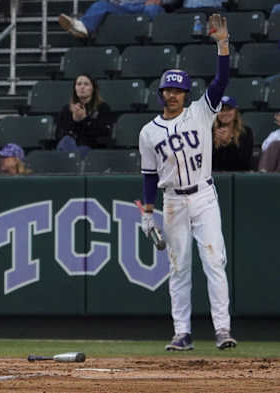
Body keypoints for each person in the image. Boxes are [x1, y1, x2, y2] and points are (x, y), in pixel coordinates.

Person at [138, 14, 237, 351]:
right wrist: (147, 212)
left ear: (185, 93)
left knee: (214, 262)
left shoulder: (201, 111)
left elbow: (221, 82)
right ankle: (182, 333)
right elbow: (149, 175)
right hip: (173, 202)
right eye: (169, 89)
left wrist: (222, 45)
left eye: (178, 89)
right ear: (161, 92)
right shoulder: (148, 132)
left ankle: (222, 330)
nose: (173, 94)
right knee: (178, 268)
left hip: (204, 195)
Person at [55, 74, 113, 155]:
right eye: (79, 84)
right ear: (75, 88)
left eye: (86, 84)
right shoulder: (66, 109)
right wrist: (75, 121)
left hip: (91, 147)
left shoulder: (102, 108)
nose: (82, 87)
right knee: (66, 141)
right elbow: (59, 134)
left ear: (93, 88)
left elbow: (103, 133)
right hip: (69, 146)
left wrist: (84, 119)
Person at [58, 0, 165, 39]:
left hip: (145, 7)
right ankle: (83, 28)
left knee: (153, 8)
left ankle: (151, 36)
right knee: (100, 5)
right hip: (124, 7)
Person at [212, 96, 253, 171]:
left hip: (239, 178)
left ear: (235, 112)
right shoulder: (210, 132)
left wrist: (228, 142)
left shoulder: (246, 132)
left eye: (229, 110)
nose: (225, 113)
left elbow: (244, 163)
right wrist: (217, 144)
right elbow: (209, 163)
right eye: (221, 110)